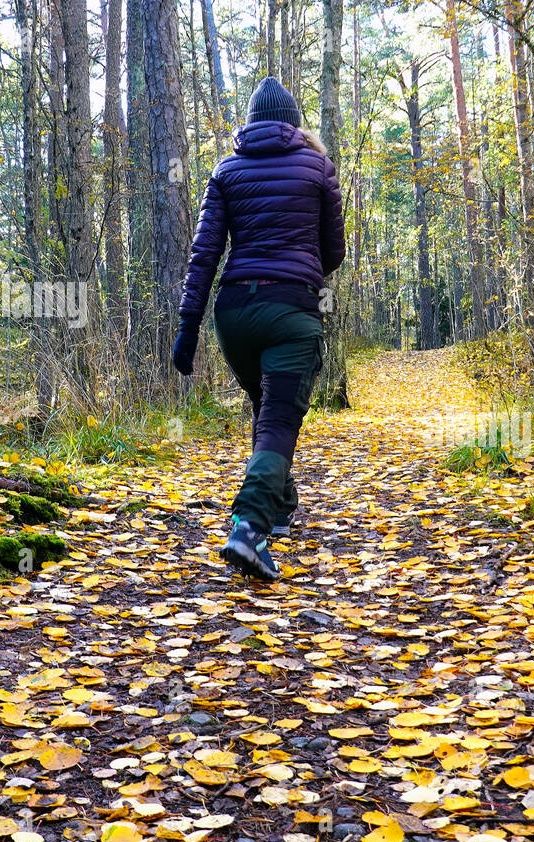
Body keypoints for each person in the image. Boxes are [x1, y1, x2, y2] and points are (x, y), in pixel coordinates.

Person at [174, 76, 345, 580]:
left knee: (266, 408)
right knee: (277, 421)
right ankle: (249, 528)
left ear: (250, 123)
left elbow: (204, 255)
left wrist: (188, 324)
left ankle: (280, 506)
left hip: (234, 317)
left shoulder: (225, 170)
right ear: (294, 123)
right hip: (291, 312)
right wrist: (303, 266)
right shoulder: (318, 167)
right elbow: (334, 251)